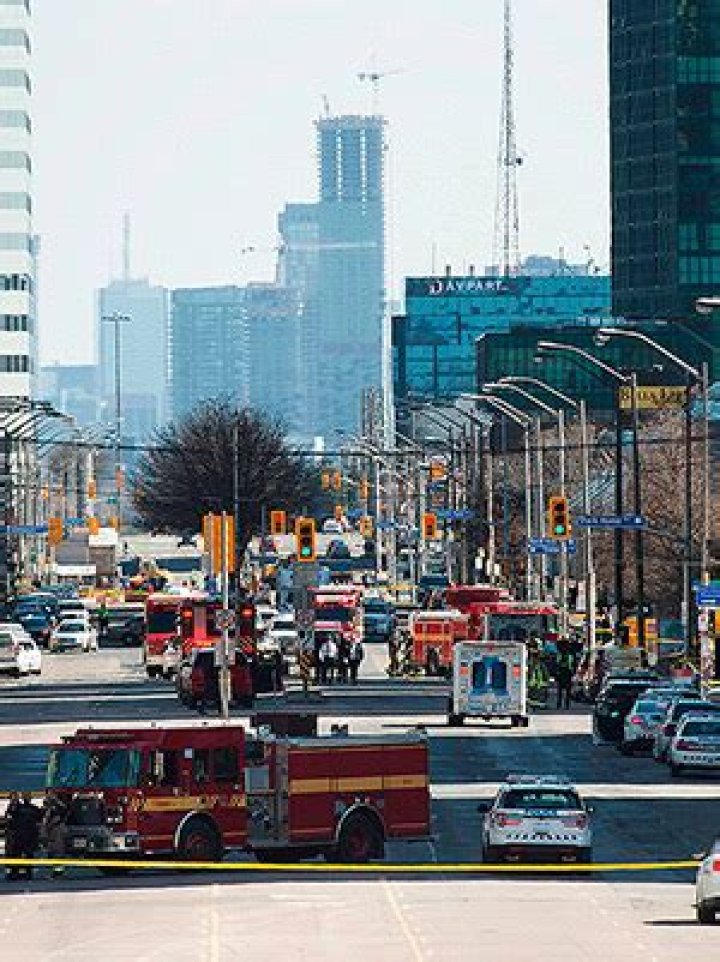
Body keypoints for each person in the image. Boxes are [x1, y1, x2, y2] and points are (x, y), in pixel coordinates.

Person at [6, 792, 42, 881]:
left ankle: (20, 873)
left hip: (23, 837)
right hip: (22, 837)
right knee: (20, 855)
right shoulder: (27, 808)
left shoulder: (28, 808)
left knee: (22, 855)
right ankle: (19, 873)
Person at [41, 792, 68, 879]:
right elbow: (44, 821)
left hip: (57, 834)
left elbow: (64, 809)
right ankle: (56, 872)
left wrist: (55, 801)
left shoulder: (58, 809)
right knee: (52, 854)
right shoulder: (48, 811)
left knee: (58, 854)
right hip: (51, 834)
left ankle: (58, 873)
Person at [556, 640, 574, 710]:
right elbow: (572, 665)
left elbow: (557, 663)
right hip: (567, 673)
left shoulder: (560, 654)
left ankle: (559, 704)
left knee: (560, 690)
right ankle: (566, 705)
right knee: (567, 690)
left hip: (562, 672)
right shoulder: (570, 655)